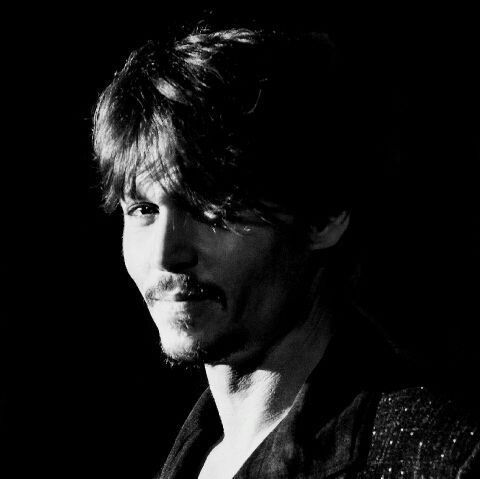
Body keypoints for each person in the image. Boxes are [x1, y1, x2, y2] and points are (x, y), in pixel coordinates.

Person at [92, 25, 479, 478]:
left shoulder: (440, 459)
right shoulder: (189, 458)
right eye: (142, 209)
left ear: (324, 216)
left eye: (209, 207)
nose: (166, 254)